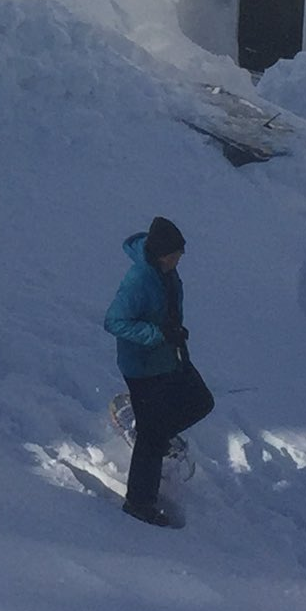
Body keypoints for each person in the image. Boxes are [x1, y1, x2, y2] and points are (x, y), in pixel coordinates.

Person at [103, 215, 214, 526]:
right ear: (162, 253)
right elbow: (114, 321)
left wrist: (172, 333)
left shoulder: (167, 271)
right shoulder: (138, 280)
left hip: (170, 357)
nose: (181, 258)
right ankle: (138, 504)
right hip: (143, 368)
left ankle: (153, 433)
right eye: (177, 252)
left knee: (200, 401)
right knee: (151, 439)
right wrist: (158, 334)